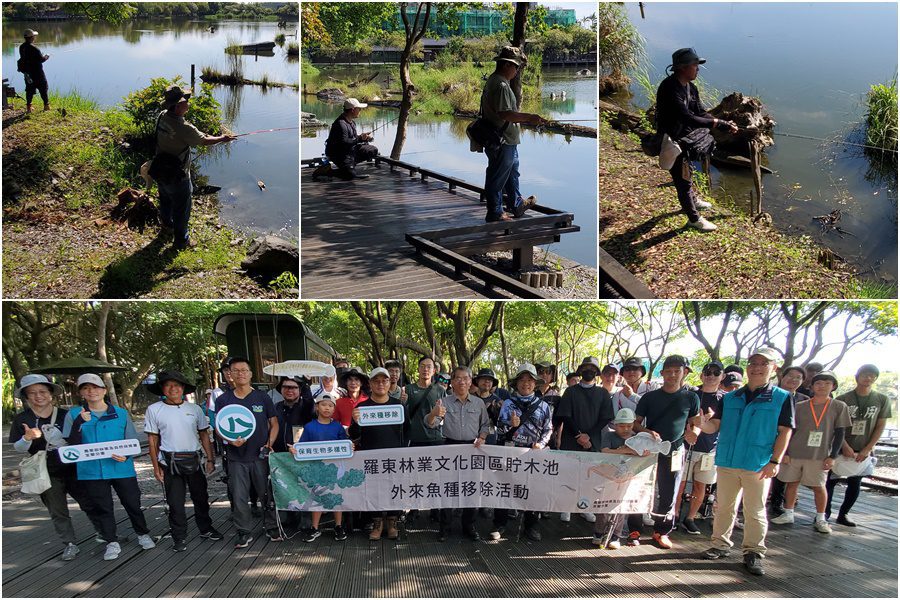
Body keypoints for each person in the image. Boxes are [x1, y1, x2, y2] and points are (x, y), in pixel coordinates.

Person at [699, 347, 795, 577]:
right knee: (723, 506)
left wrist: (775, 461)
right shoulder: (731, 397)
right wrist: (702, 424)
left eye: (764, 363)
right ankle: (719, 544)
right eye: (753, 363)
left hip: (758, 463)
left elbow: (785, 432)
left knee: (755, 510)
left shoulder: (782, 397)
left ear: (773, 368)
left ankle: (753, 551)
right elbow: (715, 426)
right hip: (728, 461)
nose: (757, 368)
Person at [62, 374, 156, 561]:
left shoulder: (120, 413)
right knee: (102, 507)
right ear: (81, 392)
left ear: (104, 390)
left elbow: (132, 441)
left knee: (132, 503)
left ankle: (142, 533)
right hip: (91, 471)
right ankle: (111, 541)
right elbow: (71, 444)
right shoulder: (74, 414)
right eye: (86, 388)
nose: (92, 391)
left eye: (96, 387)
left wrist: (126, 455)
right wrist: (80, 423)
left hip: (121, 468)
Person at [10, 374, 99, 561]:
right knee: (57, 510)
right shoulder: (22, 419)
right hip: (45, 471)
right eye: (32, 393)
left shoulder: (66, 414)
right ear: (26, 397)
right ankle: (69, 544)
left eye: (42, 391)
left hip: (73, 467)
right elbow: (18, 447)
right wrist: (27, 438)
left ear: (51, 394)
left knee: (90, 502)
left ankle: (104, 533)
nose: (38, 396)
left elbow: (79, 438)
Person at [655, 48, 738, 232]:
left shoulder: (690, 87)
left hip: (686, 138)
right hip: (671, 140)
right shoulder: (669, 88)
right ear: (682, 68)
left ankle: (693, 200)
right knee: (682, 180)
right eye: (695, 65)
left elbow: (699, 112)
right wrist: (716, 123)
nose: (697, 69)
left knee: (688, 171)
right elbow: (687, 117)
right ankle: (694, 219)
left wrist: (723, 122)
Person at [144, 370, 222, 552]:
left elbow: (204, 434)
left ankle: (205, 528)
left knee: (201, 497)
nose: (173, 389)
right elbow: (152, 440)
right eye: (169, 385)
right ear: (162, 388)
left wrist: (210, 459)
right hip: (170, 461)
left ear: (183, 389)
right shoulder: (154, 410)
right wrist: (156, 467)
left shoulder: (194, 409)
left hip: (194, 459)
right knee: (175, 502)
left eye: (177, 385)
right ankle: (179, 536)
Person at [154, 85, 236, 250]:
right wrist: (223, 138)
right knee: (182, 209)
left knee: (165, 199)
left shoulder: (162, 116)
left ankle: (166, 226)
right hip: (178, 175)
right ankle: (181, 241)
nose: (189, 102)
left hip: (159, 169)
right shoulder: (184, 128)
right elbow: (203, 141)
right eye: (186, 100)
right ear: (177, 106)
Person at [633, 355, 701, 549]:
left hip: (675, 450)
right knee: (640, 488)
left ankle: (661, 531)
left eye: (677, 371)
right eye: (668, 371)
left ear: (684, 373)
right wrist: (647, 431)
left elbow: (696, 423)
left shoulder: (691, 397)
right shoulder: (649, 397)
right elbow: (636, 424)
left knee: (669, 493)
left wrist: (693, 433)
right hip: (649, 450)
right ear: (661, 373)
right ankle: (634, 528)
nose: (672, 375)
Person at [771, 371, 850, 534]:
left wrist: (833, 455)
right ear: (812, 386)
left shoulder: (838, 406)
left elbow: (840, 433)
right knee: (791, 483)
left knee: (819, 486)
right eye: (818, 383)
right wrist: (784, 452)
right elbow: (790, 431)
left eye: (827, 383)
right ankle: (788, 513)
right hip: (795, 451)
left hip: (819, 454)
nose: (822, 386)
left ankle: (821, 518)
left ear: (833, 386)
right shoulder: (800, 406)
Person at [214, 358, 279, 547]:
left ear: (251, 374)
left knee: (266, 493)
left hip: (260, 456)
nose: (240, 373)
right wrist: (229, 440)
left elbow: (274, 424)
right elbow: (219, 427)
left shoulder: (262, 397)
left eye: (244, 370)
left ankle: (271, 526)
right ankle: (243, 531)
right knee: (239, 496)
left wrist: (269, 444)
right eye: (236, 370)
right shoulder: (223, 400)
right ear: (230, 375)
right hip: (236, 458)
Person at [478, 46, 545, 222]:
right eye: (516, 67)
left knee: (511, 172)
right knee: (497, 176)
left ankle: (517, 204)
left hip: (507, 139)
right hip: (502, 140)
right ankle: (495, 212)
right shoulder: (500, 84)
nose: (517, 71)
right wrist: (529, 117)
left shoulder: (498, 81)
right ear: (507, 65)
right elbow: (505, 114)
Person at [490, 364, 553, 542]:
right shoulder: (508, 404)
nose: (526, 383)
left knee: (532, 490)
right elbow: (499, 430)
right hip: (509, 453)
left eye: (530, 380)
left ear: (535, 383)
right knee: (504, 488)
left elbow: (548, 429)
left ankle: (531, 526)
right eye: (522, 380)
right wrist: (510, 424)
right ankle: (499, 524)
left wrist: (541, 444)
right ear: (516, 383)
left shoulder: (543, 406)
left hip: (533, 455)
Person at [349, 368, 410, 540]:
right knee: (373, 490)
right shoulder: (361, 407)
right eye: (376, 381)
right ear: (370, 384)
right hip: (370, 457)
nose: (380, 384)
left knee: (394, 488)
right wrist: (354, 422)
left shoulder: (399, 405)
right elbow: (354, 435)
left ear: (390, 382)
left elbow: (407, 431)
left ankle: (392, 521)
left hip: (394, 456)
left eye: (384, 380)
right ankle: (377, 522)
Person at [827, 364, 891, 526]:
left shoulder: (882, 399)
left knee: (855, 482)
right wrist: (844, 445)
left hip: (864, 448)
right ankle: (824, 513)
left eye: (872, 375)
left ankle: (844, 514)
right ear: (857, 376)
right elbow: (835, 426)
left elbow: (880, 425)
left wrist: (868, 448)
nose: (868, 378)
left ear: (876, 378)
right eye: (864, 375)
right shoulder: (843, 399)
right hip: (840, 446)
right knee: (830, 480)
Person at [432, 366, 491, 541]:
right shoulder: (444, 402)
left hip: (472, 449)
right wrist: (433, 414)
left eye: (465, 378)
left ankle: (469, 525)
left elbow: (485, 425)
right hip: (450, 447)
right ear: (452, 382)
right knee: (448, 488)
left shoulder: (479, 403)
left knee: (471, 488)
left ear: (470, 381)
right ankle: (445, 527)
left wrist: (482, 436)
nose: (462, 381)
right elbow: (432, 423)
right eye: (458, 378)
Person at [556, 356, 615, 523]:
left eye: (592, 368)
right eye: (585, 368)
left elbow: (606, 418)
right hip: (571, 439)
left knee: (590, 477)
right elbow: (565, 416)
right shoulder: (571, 391)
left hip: (593, 441)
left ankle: (585, 507)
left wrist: (589, 435)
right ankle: (567, 507)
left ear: (597, 372)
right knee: (570, 474)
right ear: (580, 370)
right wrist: (579, 435)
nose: (589, 371)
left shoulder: (603, 393)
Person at [293, 393, 349, 542]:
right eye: (324, 405)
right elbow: (303, 447)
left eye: (330, 406)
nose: (327, 408)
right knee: (316, 496)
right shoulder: (310, 426)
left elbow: (345, 444)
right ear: (317, 407)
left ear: (333, 409)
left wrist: (350, 446)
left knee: (336, 497)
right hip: (317, 468)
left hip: (335, 468)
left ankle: (338, 526)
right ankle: (315, 528)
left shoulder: (337, 426)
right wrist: (295, 449)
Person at [677, 361, 724, 535]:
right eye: (707, 372)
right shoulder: (690, 394)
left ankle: (690, 517)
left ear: (722, 376)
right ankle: (673, 514)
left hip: (709, 450)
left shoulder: (725, 399)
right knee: (679, 484)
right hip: (685, 447)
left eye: (715, 373)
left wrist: (710, 421)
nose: (711, 376)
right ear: (701, 375)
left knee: (700, 486)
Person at [594, 408, 649, 549]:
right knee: (604, 506)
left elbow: (644, 455)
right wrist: (626, 450)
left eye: (629, 426)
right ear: (615, 425)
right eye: (622, 426)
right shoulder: (609, 436)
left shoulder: (638, 438)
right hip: (609, 477)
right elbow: (604, 451)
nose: (625, 429)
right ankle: (599, 533)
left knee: (621, 507)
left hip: (628, 478)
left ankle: (615, 536)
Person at [768, 365, 810, 516]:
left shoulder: (804, 400)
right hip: (768, 440)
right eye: (790, 376)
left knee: (785, 476)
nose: (793, 380)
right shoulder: (770, 394)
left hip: (793, 442)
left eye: (798, 377)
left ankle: (778, 503)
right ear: (782, 377)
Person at [324, 98, 379, 180]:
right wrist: (360, 138)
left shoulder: (352, 122)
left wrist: (364, 138)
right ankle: (327, 171)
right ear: (353, 110)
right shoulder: (340, 124)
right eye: (359, 109)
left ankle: (350, 165)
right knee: (350, 175)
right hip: (338, 154)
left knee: (373, 150)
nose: (360, 111)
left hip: (349, 150)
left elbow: (353, 138)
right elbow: (344, 143)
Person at [404, 356, 447, 449]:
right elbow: (403, 413)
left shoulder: (440, 390)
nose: (425, 369)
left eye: (428, 367)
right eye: (422, 366)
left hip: (436, 438)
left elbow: (444, 415)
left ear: (434, 371)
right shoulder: (408, 389)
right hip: (415, 439)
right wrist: (403, 401)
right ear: (418, 369)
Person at [272, 376, 315, 451]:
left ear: (300, 390)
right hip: (279, 456)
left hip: (301, 454)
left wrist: (306, 383)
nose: (289, 390)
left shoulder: (306, 407)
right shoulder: (276, 407)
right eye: (285, 387)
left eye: (294, 387)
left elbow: (309, 401)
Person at [18, 29, 50, 113]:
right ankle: (46, 106)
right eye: (34, 36)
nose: (35, 38)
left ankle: (29, 107)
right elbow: (41, 59)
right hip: (37, 72)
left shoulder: (22, 47)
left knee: (29, 89)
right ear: (32, 37)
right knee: (43, 88)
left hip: (27, 73)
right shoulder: (34, 48)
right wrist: (46, 57)